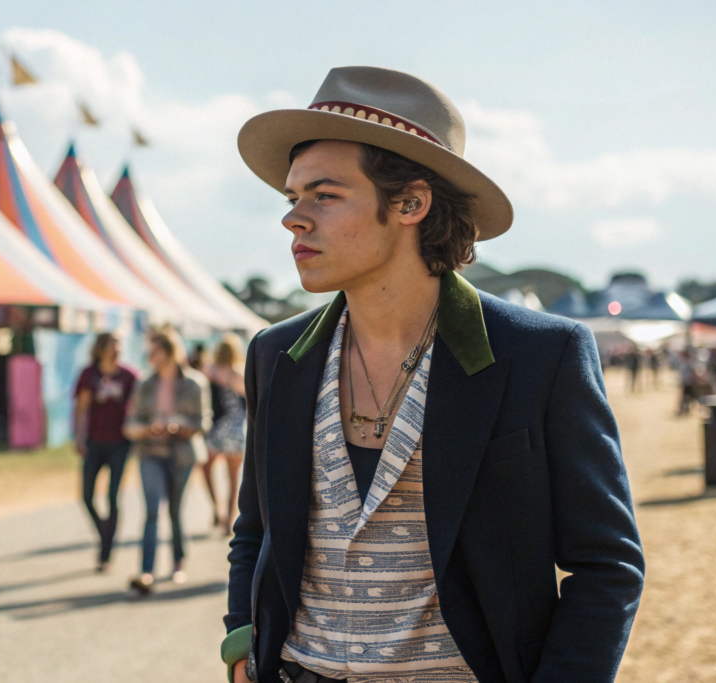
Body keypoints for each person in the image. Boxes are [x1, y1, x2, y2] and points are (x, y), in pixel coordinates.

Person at [223, 67, 644, 683]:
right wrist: (241, 646)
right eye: (292, 199)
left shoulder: (539, 354)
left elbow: (607, 564)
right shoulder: (276, 354)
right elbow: (255, 531)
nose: (295, 219)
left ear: (411, 203)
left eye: (325, 195)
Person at [123, 331, 212, 596]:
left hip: (181, 454)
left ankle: (178, 562)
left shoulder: (194, 383)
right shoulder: (144, 383)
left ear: (170, 352)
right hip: (150, 452)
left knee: (175, 510)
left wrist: (177, 426)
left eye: (155, 350)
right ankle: (146, 571)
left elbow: (202, 422)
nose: (150, 355)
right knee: (151, 511)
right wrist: (148, 428)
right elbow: (132, 422)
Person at [73, 333, 138, 571]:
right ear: (101, 348)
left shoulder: (129, 376)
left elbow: (137, 407)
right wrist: (79, 436)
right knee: (87, 497)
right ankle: (105, 534)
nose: (116, 349)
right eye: (112, 345)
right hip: (94, 441)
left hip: (120, 443)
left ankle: (106, 553)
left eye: (118, 345)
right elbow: (81, 407)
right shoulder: (89, 374)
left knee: (112, 497)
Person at [202, 334, 247, 534]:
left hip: (217, 428)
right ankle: (228, 520)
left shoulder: (210, 371)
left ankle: (217, 509)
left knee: (206, 467)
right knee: (233, 478)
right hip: (236, 430)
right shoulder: (239, 372)